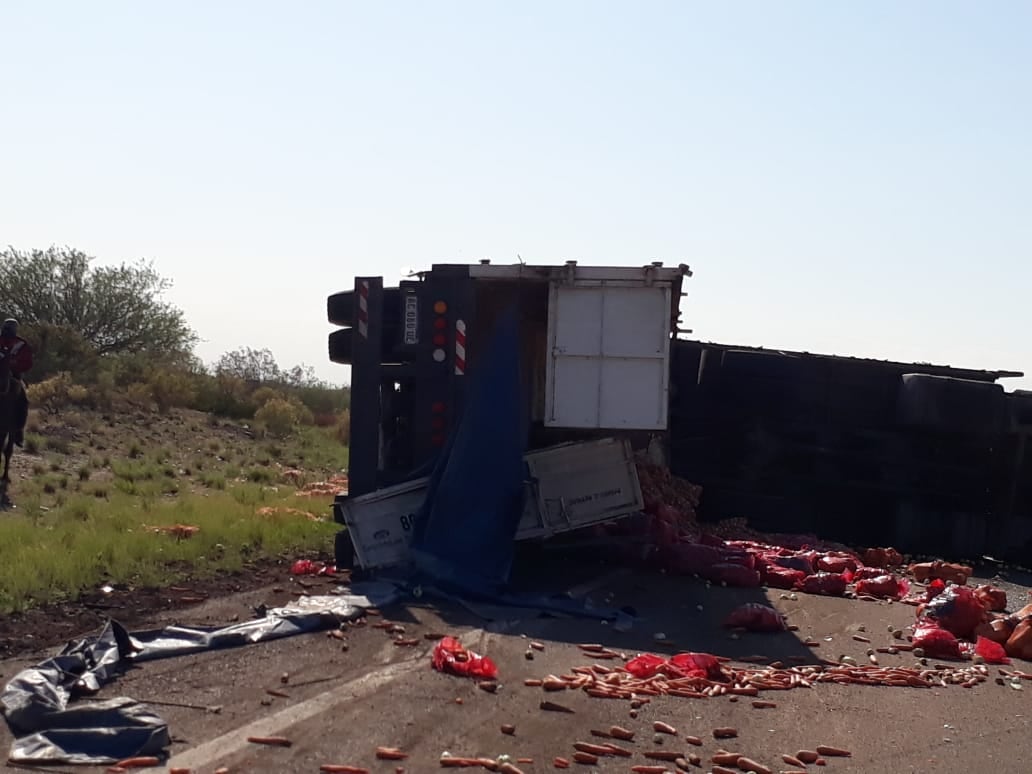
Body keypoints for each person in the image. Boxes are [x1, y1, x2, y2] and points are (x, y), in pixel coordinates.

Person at [0, 318, 33, 446]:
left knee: (23, 400)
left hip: (13, 375)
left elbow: (28, 363)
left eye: (10, 327)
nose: (7, 330)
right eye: (6, 327)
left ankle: (18, 431)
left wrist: (15, 365)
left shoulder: (21, 344)